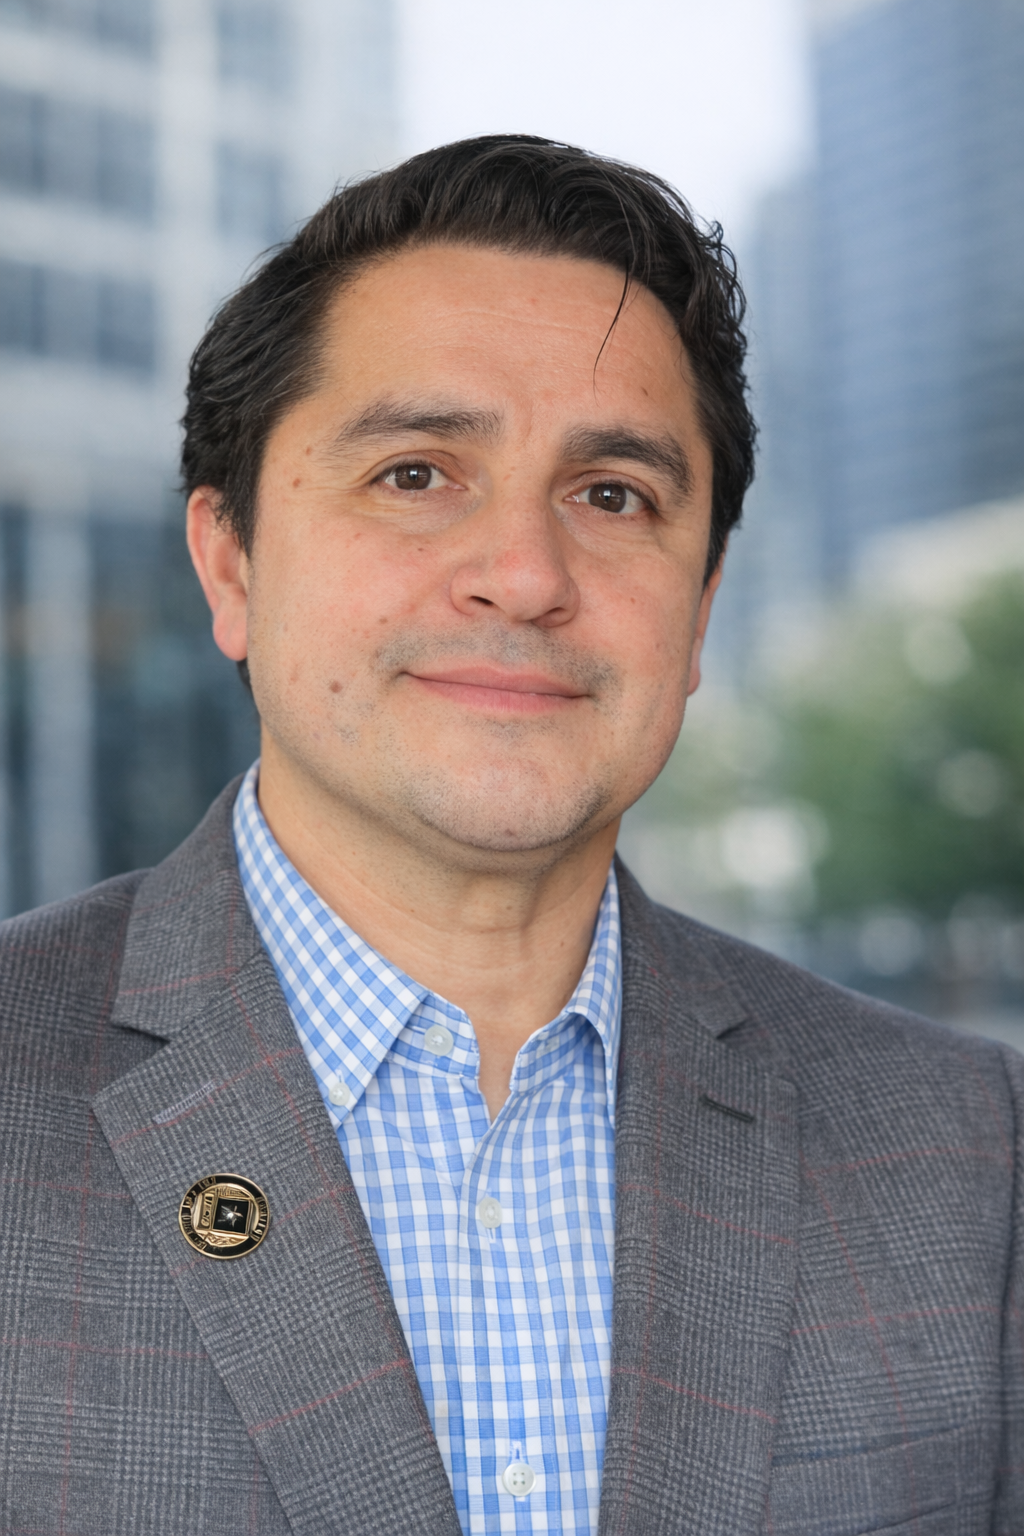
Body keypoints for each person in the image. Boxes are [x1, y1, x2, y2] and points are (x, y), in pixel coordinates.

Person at [0, 135, 1020, 1536]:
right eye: (417, 474)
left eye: (615, 497)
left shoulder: (959, 1148)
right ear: (230, 561)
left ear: (702, 604)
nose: (529, 576)